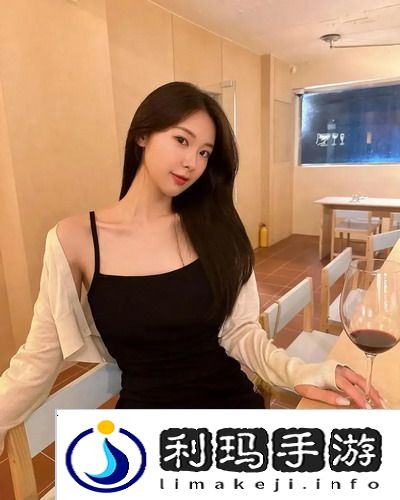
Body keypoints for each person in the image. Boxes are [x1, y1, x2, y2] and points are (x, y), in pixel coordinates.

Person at [0, 81, 382, 453]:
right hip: (148, 434)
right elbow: (40, 355)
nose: (192, 163)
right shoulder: (74, 239)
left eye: (204, 153)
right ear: (143, 135)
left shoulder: (214, 229)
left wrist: (300, 372)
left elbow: (240, 331)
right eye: (182, 141)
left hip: (232, 414)